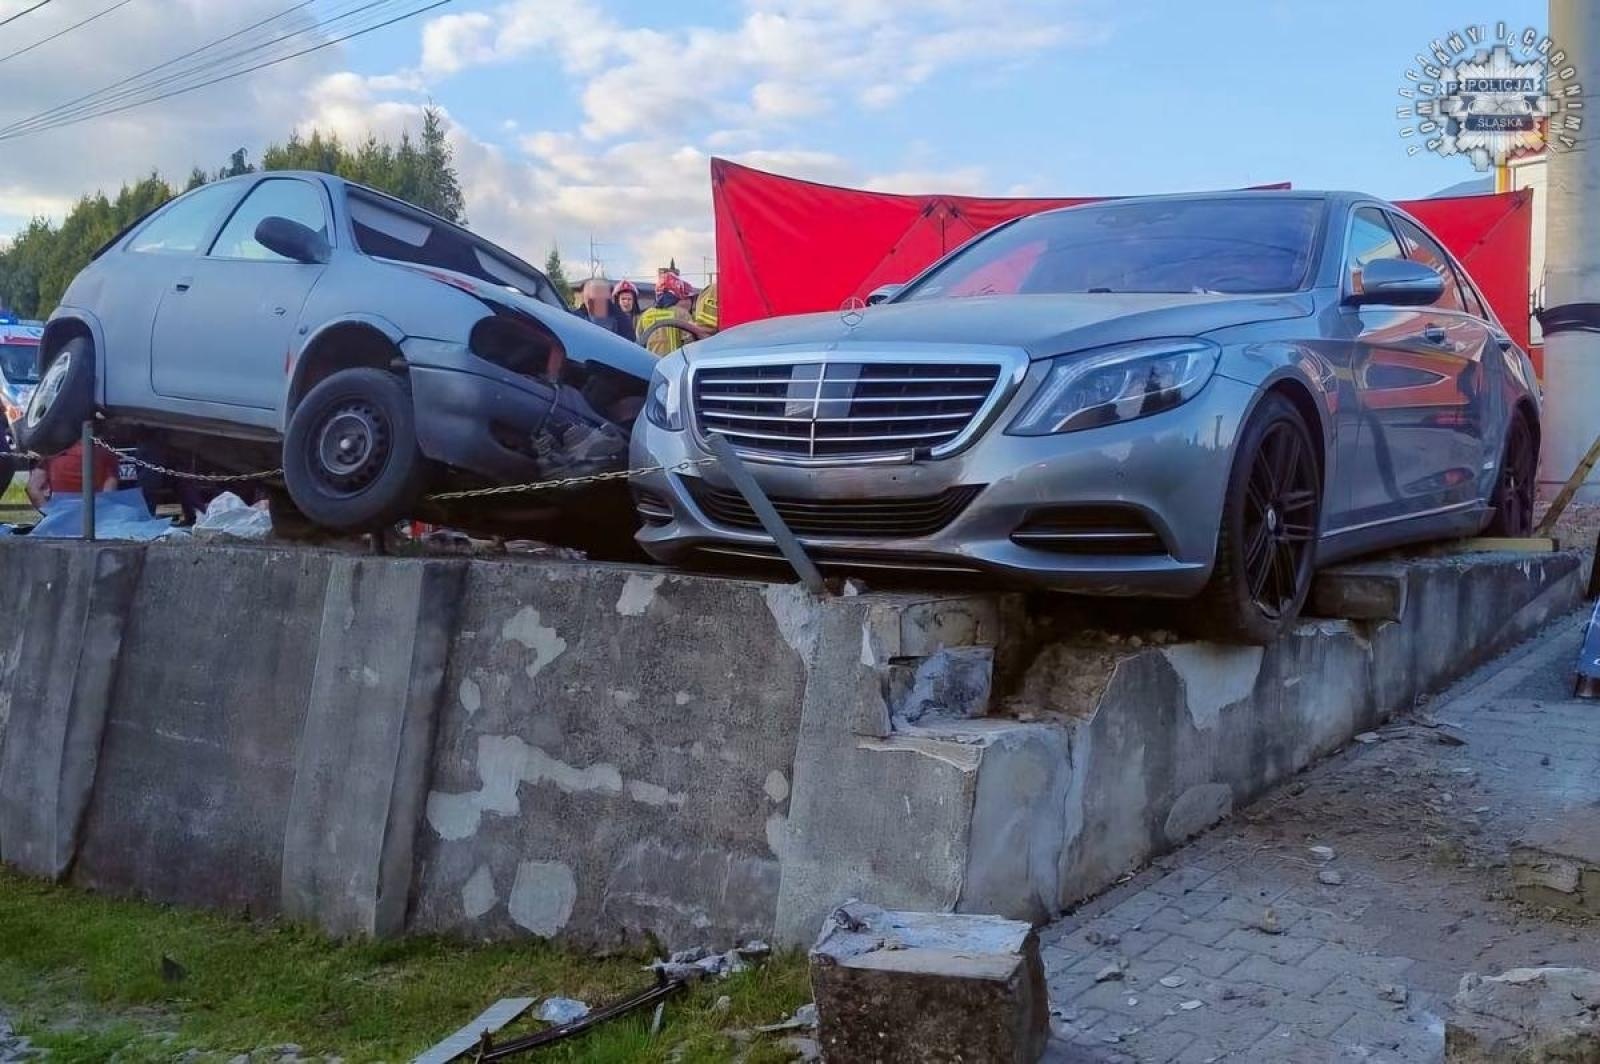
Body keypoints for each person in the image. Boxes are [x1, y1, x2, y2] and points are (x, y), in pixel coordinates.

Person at [25, 440, 118, 510]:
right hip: (95, 518)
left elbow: (32, 488)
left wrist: (49, 515)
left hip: (62, 516)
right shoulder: (105, 454)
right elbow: (107, 494)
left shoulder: (53, 454)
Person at [638, 273, 697, 356]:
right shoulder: (681, 314)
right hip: (674, 364)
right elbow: (690, 343)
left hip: (651, 364)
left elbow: (639, 342)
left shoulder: (645, 315)